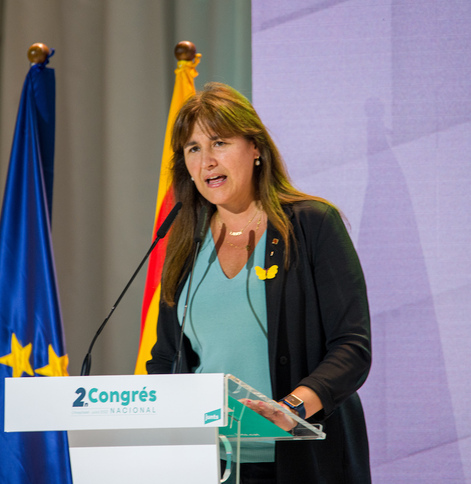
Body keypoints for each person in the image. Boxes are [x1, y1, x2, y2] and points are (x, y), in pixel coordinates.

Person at [147, 82, 371, 483]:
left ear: (255, 149)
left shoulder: (311, 224)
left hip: (300, 460)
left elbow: (352, 347)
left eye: (219, 143)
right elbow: (166, 359)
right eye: (193, 149)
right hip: (207, 463)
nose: (206, 161)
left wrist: (293, 409)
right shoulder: (183, 241)